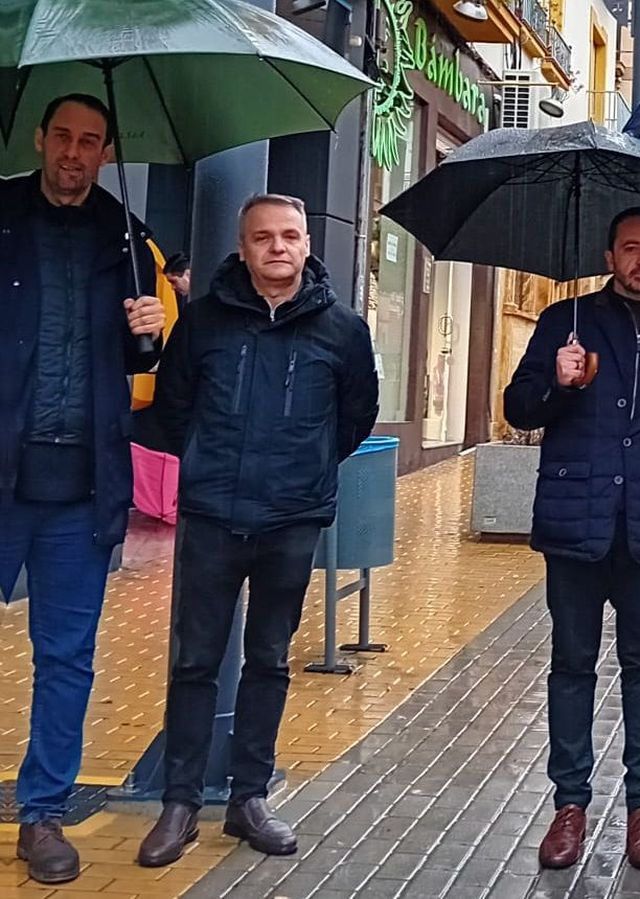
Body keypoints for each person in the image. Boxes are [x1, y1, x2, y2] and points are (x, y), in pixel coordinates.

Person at [137, 194, 378, 867]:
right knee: (194, 660)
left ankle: (249, 798)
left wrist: (303, 468)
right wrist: (209, 464)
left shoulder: (342, 329)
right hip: (213, 514)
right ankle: (179, 803)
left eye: (290, 235)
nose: (278, 247)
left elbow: (356, 415)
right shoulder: (205, 323)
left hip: (291, 520)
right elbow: (175, 408)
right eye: (263, 237)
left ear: (307, 243)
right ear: (242, 247)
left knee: (270, 659)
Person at [505, 208, 640, 872]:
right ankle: (569, 806)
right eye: (630, 247)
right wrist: (558, 384)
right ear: (609, 255)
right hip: (577, 522)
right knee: (571, 665)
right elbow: (517, 408)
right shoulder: (564, 322)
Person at [0, 93, 165, 885]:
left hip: (82, 487)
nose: (74, 152)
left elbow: (145, 362)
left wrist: (151, 329)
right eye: (62, 136)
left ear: (107, 152)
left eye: (90, 140)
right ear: (40, 140)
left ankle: (41, 814)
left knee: (66, 658)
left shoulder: (128, 238)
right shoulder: (0, 217)